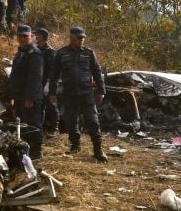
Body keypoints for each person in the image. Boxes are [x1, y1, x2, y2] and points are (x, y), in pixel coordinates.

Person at [49, 27, 108, 162]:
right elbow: (54, 75)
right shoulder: (62, 53)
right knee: (71, 121)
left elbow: (97, 72)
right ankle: (75, 145)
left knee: (92, 121)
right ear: (72, 38)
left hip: (86, 93)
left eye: (83, 38)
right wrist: (52, 93)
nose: (82, 40)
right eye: (79, 38)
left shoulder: (89, 53)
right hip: (69, 94)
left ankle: (98, 150)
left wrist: (101, 90)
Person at [8, 25, 43, 159]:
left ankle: (37, 150)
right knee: (21, 123)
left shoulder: (35, 53)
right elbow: (14, 77)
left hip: (30, 96)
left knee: (33, 124)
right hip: (18, 95)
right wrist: (12, 96)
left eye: (25, 36)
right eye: (20, 36)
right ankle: (26, 149)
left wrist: (30, 98)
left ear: (30, 36)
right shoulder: (20, 52)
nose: (22, 38)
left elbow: (34, 78)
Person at [34, 27, 59, 136]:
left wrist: (49, 84)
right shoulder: (36, 49)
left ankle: (54, 128)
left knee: (51, 106)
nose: (35, 37)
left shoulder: (50, 51)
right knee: (39, 107)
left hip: (48, 83)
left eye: (37, 35)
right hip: (38, 82)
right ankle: (40, 128)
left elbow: (53, 70)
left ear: (42, 37)